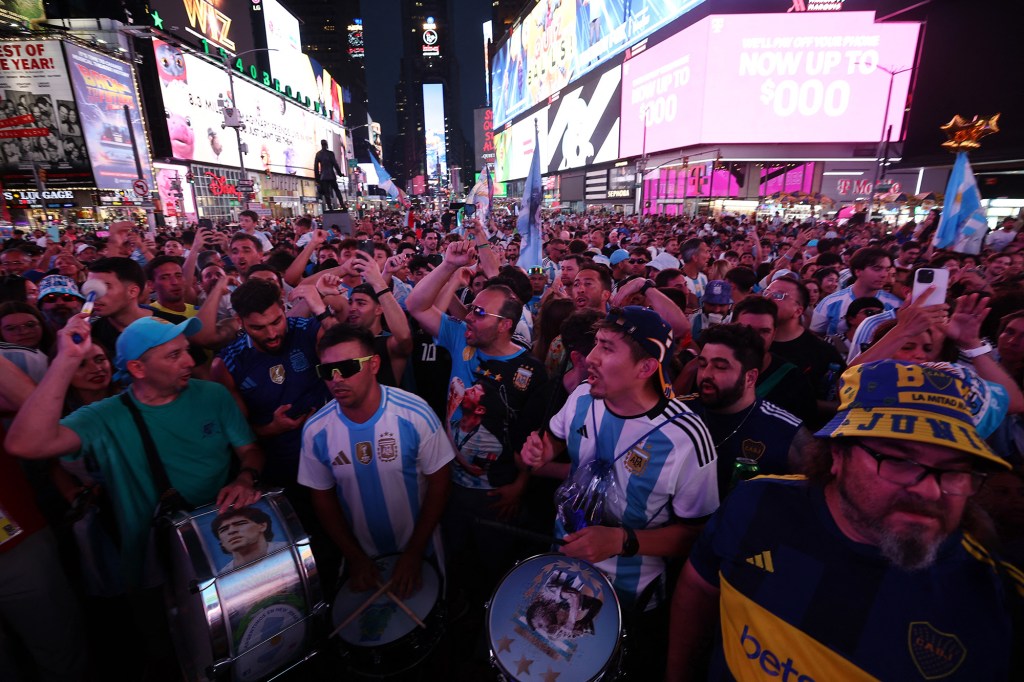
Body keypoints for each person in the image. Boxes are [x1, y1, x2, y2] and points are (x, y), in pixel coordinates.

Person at [667, 360, 1021, 681]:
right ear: (838, 455)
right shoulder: (756, 504)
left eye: (955, 470)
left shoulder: (995, 596)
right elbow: (699, 588)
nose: (930, 490)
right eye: (901, 460)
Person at [520, 306, 718, 679]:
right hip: (562, 572)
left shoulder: (685, 439)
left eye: (607, 348)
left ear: (645, 368)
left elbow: (697, 536)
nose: (590, 358)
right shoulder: (582, 397)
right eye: (596, 343)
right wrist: (541, 449)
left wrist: (622, 541)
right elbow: (555, 439)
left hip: (629, 599)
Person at [406, 240, 548, 601]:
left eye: (480, 314)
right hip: (451, 486)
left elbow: (538, 438)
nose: (469, 316)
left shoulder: (531, 371)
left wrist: (521, 484)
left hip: (500, 493)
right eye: (472, 309)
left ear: (506, 325)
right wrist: (448, 266)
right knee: (455, 561)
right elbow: (416, 304)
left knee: (496, 568)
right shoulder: (459, 339)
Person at [298, 324, 453, 598]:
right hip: (362, 561)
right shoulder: (316, 430)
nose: (336, 379)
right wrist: (354, 556)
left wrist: (414, 553)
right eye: (326, 371)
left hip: (423, 552)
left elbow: (439, 485)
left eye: (347, 367)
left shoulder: (415, 414)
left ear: (374, 364)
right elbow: (322, 498)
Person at [687, 323, 812, 499]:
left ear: (750, 377)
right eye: (702, 364)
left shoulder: (786, 432)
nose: (706, 374)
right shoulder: (679, 412)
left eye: (720, 367)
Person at [810, 246, 903, 336]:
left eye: (887, 269)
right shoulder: (830, 303)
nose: (884, 275)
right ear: (858, 271)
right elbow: (815, 335)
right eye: (877, 269)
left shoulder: (895, 305)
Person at [211, 506, 287, 573]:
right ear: (222, 542)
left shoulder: (289, 550)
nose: (231, 531)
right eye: (223, 529)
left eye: (240, 523)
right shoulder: (223, 577)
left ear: (262, 526)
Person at [314, 139, 345, 210]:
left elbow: (315, 168)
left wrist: (317, 178)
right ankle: (342, 204)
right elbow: (335, 164)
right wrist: (339, 173)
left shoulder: (318, 154)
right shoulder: (330, 153)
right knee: (337, 190)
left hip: (323, 176)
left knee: (326, 193)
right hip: (331, 175)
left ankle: (330, 207)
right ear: (326, 145)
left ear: (321, 145)